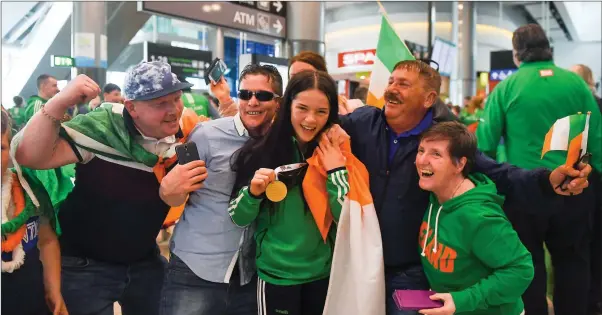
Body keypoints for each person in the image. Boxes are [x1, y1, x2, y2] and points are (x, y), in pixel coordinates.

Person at [337, 59, 592, 315]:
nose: (391, 88)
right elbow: (317, 127)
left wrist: (547, 181)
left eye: (403, 84)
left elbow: (499, 174)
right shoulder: (363, 122)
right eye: (391, 81)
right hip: (359, 261)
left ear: (429, 99)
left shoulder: (446, 142)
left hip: (409, 270)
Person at [14, 61, 205, 315]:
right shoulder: (103, 129)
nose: (173, 110)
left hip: (145, 261)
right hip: (85, 265)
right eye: (160, 103)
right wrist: (59, 102)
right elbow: (30, 156)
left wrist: (173, 195)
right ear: (132, 107)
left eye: (177, 99)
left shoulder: (186, 133)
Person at [476, 24, 602, 315]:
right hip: (574, 188)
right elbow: (596, 135)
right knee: (573, 263)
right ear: (549, 48)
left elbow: (485, 145)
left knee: (527, 264)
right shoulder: (575, 84)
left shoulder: (507, 87)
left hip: (525, 192)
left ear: (516, 54)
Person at [158, 63, 283, 315]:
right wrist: (168, 190)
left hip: (249, 273)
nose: (252, 102)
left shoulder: (279, 142)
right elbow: (176, 193)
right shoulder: (206, 135)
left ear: (278, 102)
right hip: (196, 267)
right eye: (246, 94)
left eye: (263, 95)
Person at [228, 70, 350, 315]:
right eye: (302, 108)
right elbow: (237, 217)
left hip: (323, 275)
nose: (310, 119)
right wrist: (253, 193)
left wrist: (336, 169)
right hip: (276, 277)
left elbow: (347, 217)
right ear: (287, 106)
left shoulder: (337, 153)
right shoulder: (260, 153)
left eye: (321, 111)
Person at [415, 121, 533, 315]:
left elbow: (520, 270)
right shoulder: (437, 196)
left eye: (436, 154)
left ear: (460, 164)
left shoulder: (479, 217)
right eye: (421, 150)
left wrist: (462, 300)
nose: (422, 160)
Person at [1, 108, 68, 315]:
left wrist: (53, 289)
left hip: (32, 301)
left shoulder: (27, 188)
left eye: (0, 147)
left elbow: (47, 240)